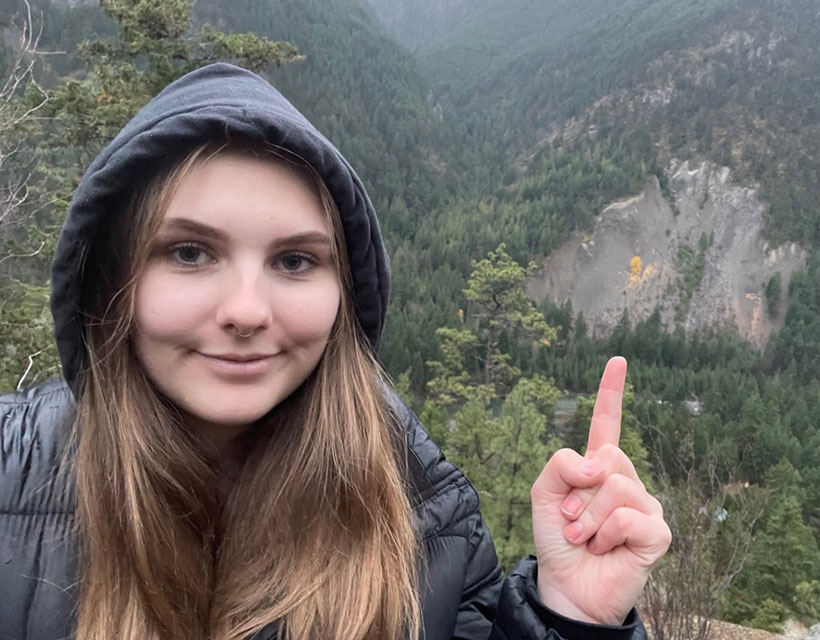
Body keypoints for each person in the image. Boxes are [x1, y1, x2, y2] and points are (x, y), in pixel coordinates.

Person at [0, 63, 671, 640]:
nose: (246, 311)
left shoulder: (430, 517)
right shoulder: (10, 480)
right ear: (113, 280)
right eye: (190, 253)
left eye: (294, 261)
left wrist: (569, 617)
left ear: (343, 296)